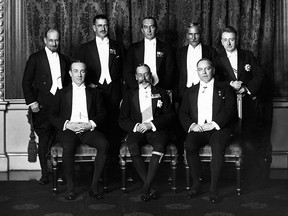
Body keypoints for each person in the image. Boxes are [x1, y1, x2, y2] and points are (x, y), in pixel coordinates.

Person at [179, 58, 237, 203]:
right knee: (189, 145)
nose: (204, 72)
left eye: (207, 68)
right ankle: (196, 185)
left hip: (218, 128)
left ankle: (213, 189)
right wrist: (192, 125)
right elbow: (183, 113)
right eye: (200, 69)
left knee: (217, 146)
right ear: (197, 71)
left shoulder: (225, 88)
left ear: (213, 70)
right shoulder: (190, 91)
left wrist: (214, 124)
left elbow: (230, 111)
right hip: (198, 129)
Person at [49, 61, 109, 201]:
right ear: (70, 73)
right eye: (75, 71)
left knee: (104, 144)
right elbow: (52, 115)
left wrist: (90, 125)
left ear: (85, 73)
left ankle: (94, 188)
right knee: (68, 146)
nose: (79, 74)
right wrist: (67, 125)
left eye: (82, 71)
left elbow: (102, 114)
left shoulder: (94, 93)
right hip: (68, 130)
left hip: (88, 129)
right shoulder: (61, 93)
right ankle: (70, 188)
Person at [213, 26, 265, 183]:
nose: (229, 42)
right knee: (227, 138)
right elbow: (213, 81)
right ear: (221, 41)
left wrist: (246, 88)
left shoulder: (247, 56)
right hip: (226, 107)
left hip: (248, 106)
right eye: (225, 39)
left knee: (249, 141)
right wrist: (230, 84)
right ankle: (227, 177)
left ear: (236, 40)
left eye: (232, 39)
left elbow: (260, 75)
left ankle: (249, 178)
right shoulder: (216, 59)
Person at [118, 64, 174, 202]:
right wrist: (136, 126)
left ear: (151, 75)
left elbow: (170, 115)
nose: (144, 78)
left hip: (156, 129)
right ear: (136, 77)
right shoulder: (129, 94)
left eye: (146, 74)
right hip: (138, 129)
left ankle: (146, 187)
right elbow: (122, 119)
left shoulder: (161, 92)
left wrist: (151, 124)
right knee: (132, 145)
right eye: (140, 75)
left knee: (160, 146)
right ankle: (150, 186)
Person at [22, 29, 71, 185]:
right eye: (51, 40)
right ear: (44, 40)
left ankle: (62, 174)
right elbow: (26, 82)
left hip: (61, 108)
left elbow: (69, 84)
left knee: (63, 140)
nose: (54, 43)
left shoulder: (64, 59)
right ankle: (45, 175)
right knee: (44, 141)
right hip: (42, 106)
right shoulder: (35, 58)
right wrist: (32, 102)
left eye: (56, 41)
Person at [78, 14, 125, 165]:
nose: (103, 28)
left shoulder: (119, 46)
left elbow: (125, 71)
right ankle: (100, 164)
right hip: (95, 91)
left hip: (115, 90)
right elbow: (79, 71)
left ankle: (114, 163)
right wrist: (89, 85)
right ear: (94, 28)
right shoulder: (85, 48)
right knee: (99, 124)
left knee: (115, 125)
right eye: (99, 25)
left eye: (105, 25)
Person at [124, 16, 175, 91]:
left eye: (152, 27)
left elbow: (170, 72)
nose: (149, 30)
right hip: (138, 89)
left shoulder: (166, 48)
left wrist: (161, 90)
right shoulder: (133, 48)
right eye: (146, 27)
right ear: (142, 30)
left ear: (156, 29)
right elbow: (128, 72)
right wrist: (137, 88)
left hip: (160, 88)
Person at [175, 22, 218, 104]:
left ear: (200, 35)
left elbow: (216, 72)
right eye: (190, 34)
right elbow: (176, 75)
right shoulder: (179, 52)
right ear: (187, 36)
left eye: (196, 34)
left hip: (205, 90)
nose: (193, 37)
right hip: (184, 92)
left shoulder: (210, 51)